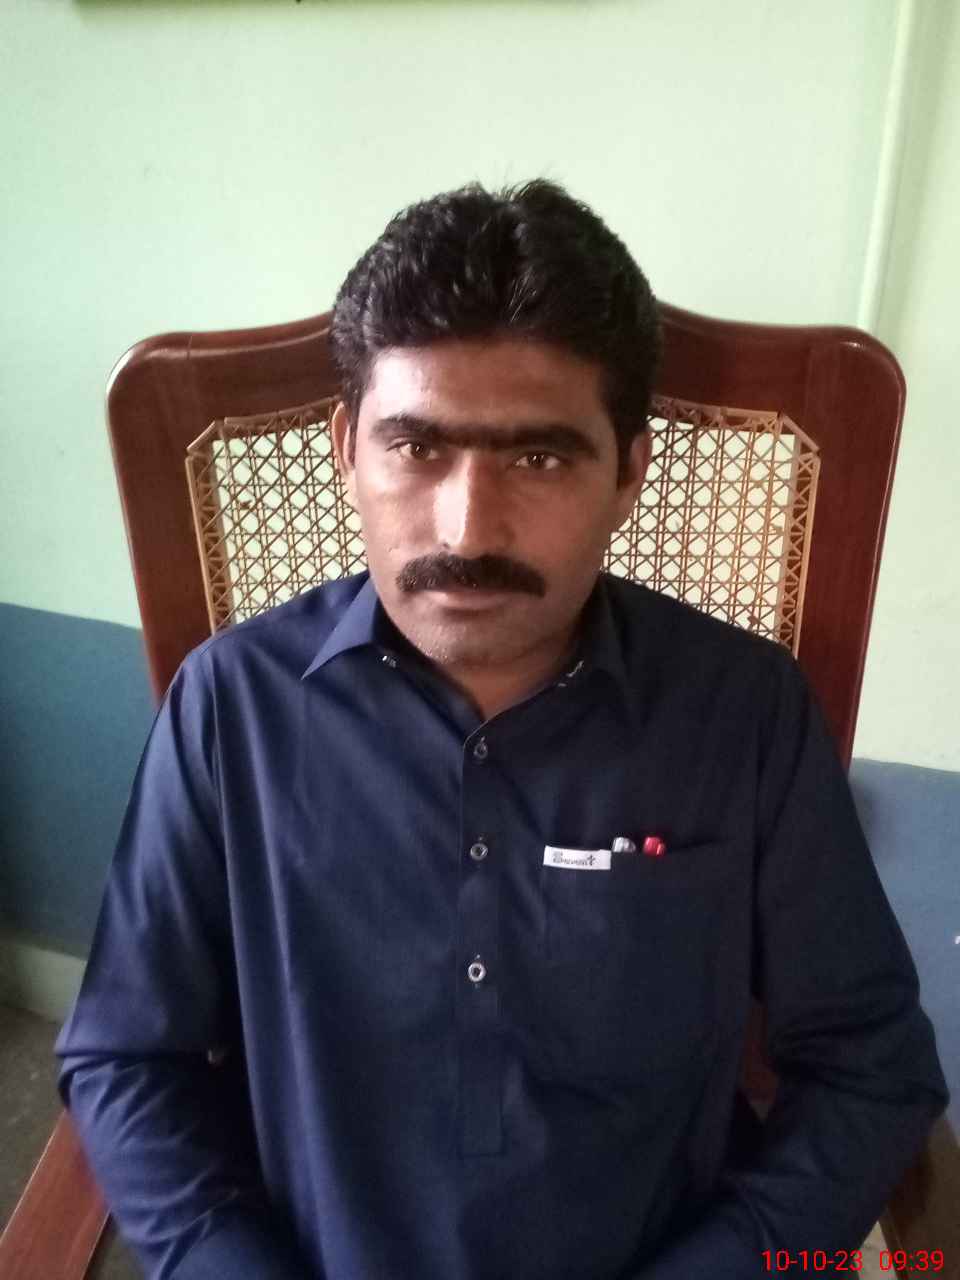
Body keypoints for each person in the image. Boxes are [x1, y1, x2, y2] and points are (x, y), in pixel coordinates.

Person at [56, 180, 947, 1280]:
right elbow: (127, 1055)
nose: (468, 526)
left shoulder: (744, 712)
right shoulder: (229, 707)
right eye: (415, 447)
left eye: (539, 458)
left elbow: (871, 1068)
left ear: (630, 472)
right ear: (345, 449)